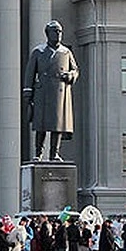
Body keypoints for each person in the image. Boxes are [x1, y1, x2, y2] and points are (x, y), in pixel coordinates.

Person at [22, 20, 79, 161]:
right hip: (42, 93)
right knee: (41, 126)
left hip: (60, 93)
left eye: (60, 31)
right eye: (55, 31)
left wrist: (70, 75)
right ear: (48, 34)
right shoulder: (38, 51)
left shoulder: (66, 52)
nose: (58, 34)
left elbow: (75, 69)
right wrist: (28, 91)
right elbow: (30, 73)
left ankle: (54, 154)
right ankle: (38, 153)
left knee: (57, 125)